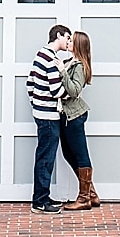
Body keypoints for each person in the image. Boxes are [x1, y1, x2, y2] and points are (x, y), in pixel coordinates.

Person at [27, 23, 72, 213]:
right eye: (67, 38)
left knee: (43, 156)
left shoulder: (40, 55)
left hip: (40, 113)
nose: (69, 42)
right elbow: (56, 91)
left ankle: (43, 196)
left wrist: (36, 103)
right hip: (48, 116)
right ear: (58, 35)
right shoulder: (50, 58)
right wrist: (71, 93)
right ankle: (39, 202)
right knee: (46, 158)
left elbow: (30, 84)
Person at [58, 30, 99, 211]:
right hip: (67, 115)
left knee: (81, 154)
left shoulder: (80, 66)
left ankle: (84, 199)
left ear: (78, 45)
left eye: (71, 40)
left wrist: (62, 72)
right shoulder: (70, 62)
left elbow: (74, 91)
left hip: (75, 115)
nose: (68, 42)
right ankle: (91, 194)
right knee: (68, 153)